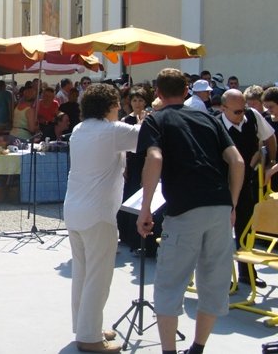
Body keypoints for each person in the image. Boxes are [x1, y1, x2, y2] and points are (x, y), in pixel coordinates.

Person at [136, 68, 245, 354]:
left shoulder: (156, 119)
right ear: (186, 92)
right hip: (220, 205)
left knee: (170, 285)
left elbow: (155, 158)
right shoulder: (209, 118)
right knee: (213, 283)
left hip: (185, 209)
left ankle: (169, 352)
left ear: (158, 93)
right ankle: (197, 349)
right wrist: (232, 205)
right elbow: (237, 162)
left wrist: (145, 209)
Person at [64, 83, 141, 354]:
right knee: (98, 277)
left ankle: (86, 326)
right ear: (108, 106)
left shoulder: (79, 129)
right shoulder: (113, 130)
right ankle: (89, 336)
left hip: (75, 209)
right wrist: (145, 115)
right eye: (117, 103)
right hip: (98, 214)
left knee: (83, 273)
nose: (120, 107)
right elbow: (145, 137)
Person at [218, 89, 276, 288]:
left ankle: (247, 273)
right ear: (224, 108)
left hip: (246, 181)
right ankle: (222, 277)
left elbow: (269, 137)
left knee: (245, 228)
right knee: (222, 231)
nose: (242, 114)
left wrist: (271, 162)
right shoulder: (215, 125)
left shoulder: (252, 116)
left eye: (243, 109)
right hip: (223, 184)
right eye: (237, 112)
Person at [122, 87, 150, 201]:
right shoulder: (125, 120)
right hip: (132, 159)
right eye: (134, 100)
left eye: (140, 100)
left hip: (146, 157)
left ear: (145, 102)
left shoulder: (150, 119)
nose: (137, 103)